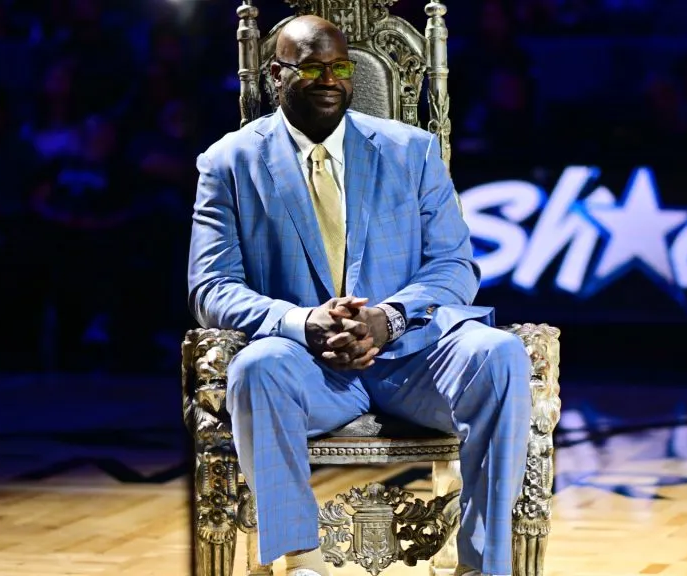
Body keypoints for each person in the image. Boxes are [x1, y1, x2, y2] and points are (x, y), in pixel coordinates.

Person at [187, 15, 531, 576]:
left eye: (341, 68)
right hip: (308, 366)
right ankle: (300, 560)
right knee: (256, 365)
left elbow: (454, 265)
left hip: (414, 356)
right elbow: (211, 287)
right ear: (276, 75)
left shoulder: (412, 151)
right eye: (313, 68)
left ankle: (483, 565)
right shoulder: (228, 162)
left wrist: (389, 317)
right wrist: (302, 322)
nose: (331, 80)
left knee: (501, 355)